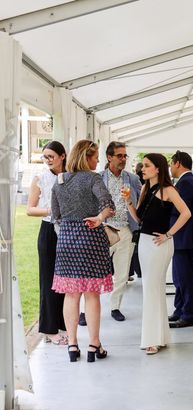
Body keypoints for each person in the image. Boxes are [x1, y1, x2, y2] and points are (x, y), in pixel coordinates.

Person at [50, 139, 115, 363]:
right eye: (96, 157)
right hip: (91, 238)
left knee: (71, 293)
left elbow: (55, 214)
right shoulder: (93, 178)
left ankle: (72, 345)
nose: (98, 161)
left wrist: (69, 224)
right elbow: (109, 204)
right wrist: (99, 217)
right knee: (92, 294)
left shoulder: (60, 181)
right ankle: (93, 345)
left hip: (67, 240)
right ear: (86, 157)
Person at [123, 153, 191, 354]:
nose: (142, 169)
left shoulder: (168, 189)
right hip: (145, 242)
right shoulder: (145, 188)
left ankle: (152, 339)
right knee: (154, 291)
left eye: (146, 165)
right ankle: (159, 336)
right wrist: (128, 201)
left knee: (152, 291)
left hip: (158, 245)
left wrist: (169, 234)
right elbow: (139, 218)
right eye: (142, 165)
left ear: (158, 168)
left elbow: (186, 213)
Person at [27, 141, 67, 345]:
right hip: (48, 231)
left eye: (51, 156)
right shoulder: (40, 179)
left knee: (65, 280)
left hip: (69, 231)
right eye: (45, 156)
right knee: (48, 280)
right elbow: (30, 209)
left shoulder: (71, 176)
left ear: (62, 156)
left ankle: (62, 323)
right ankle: (48, 328)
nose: (48, 160)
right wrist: (51, 210)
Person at [100, 141, 142, 322]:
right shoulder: (98, 178)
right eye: (119, 156)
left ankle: (115, 307)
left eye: (125, 156)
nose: (123, 159)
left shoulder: (133, 179)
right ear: (109, 157)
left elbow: (140, 203)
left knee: (123, 273)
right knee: (95, 272)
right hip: (103, 230)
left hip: (125, 230)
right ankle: (86, 311)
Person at [168, 151, 193, 329]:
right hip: (186, 237)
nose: (170, 167)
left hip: (186, 237)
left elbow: (178, 211)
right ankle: (179, 310)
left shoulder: (185, 183)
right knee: (179, 277)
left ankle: (188, 314)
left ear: (178, 164)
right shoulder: (189, 181)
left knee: (186, 278)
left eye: (171, 163)